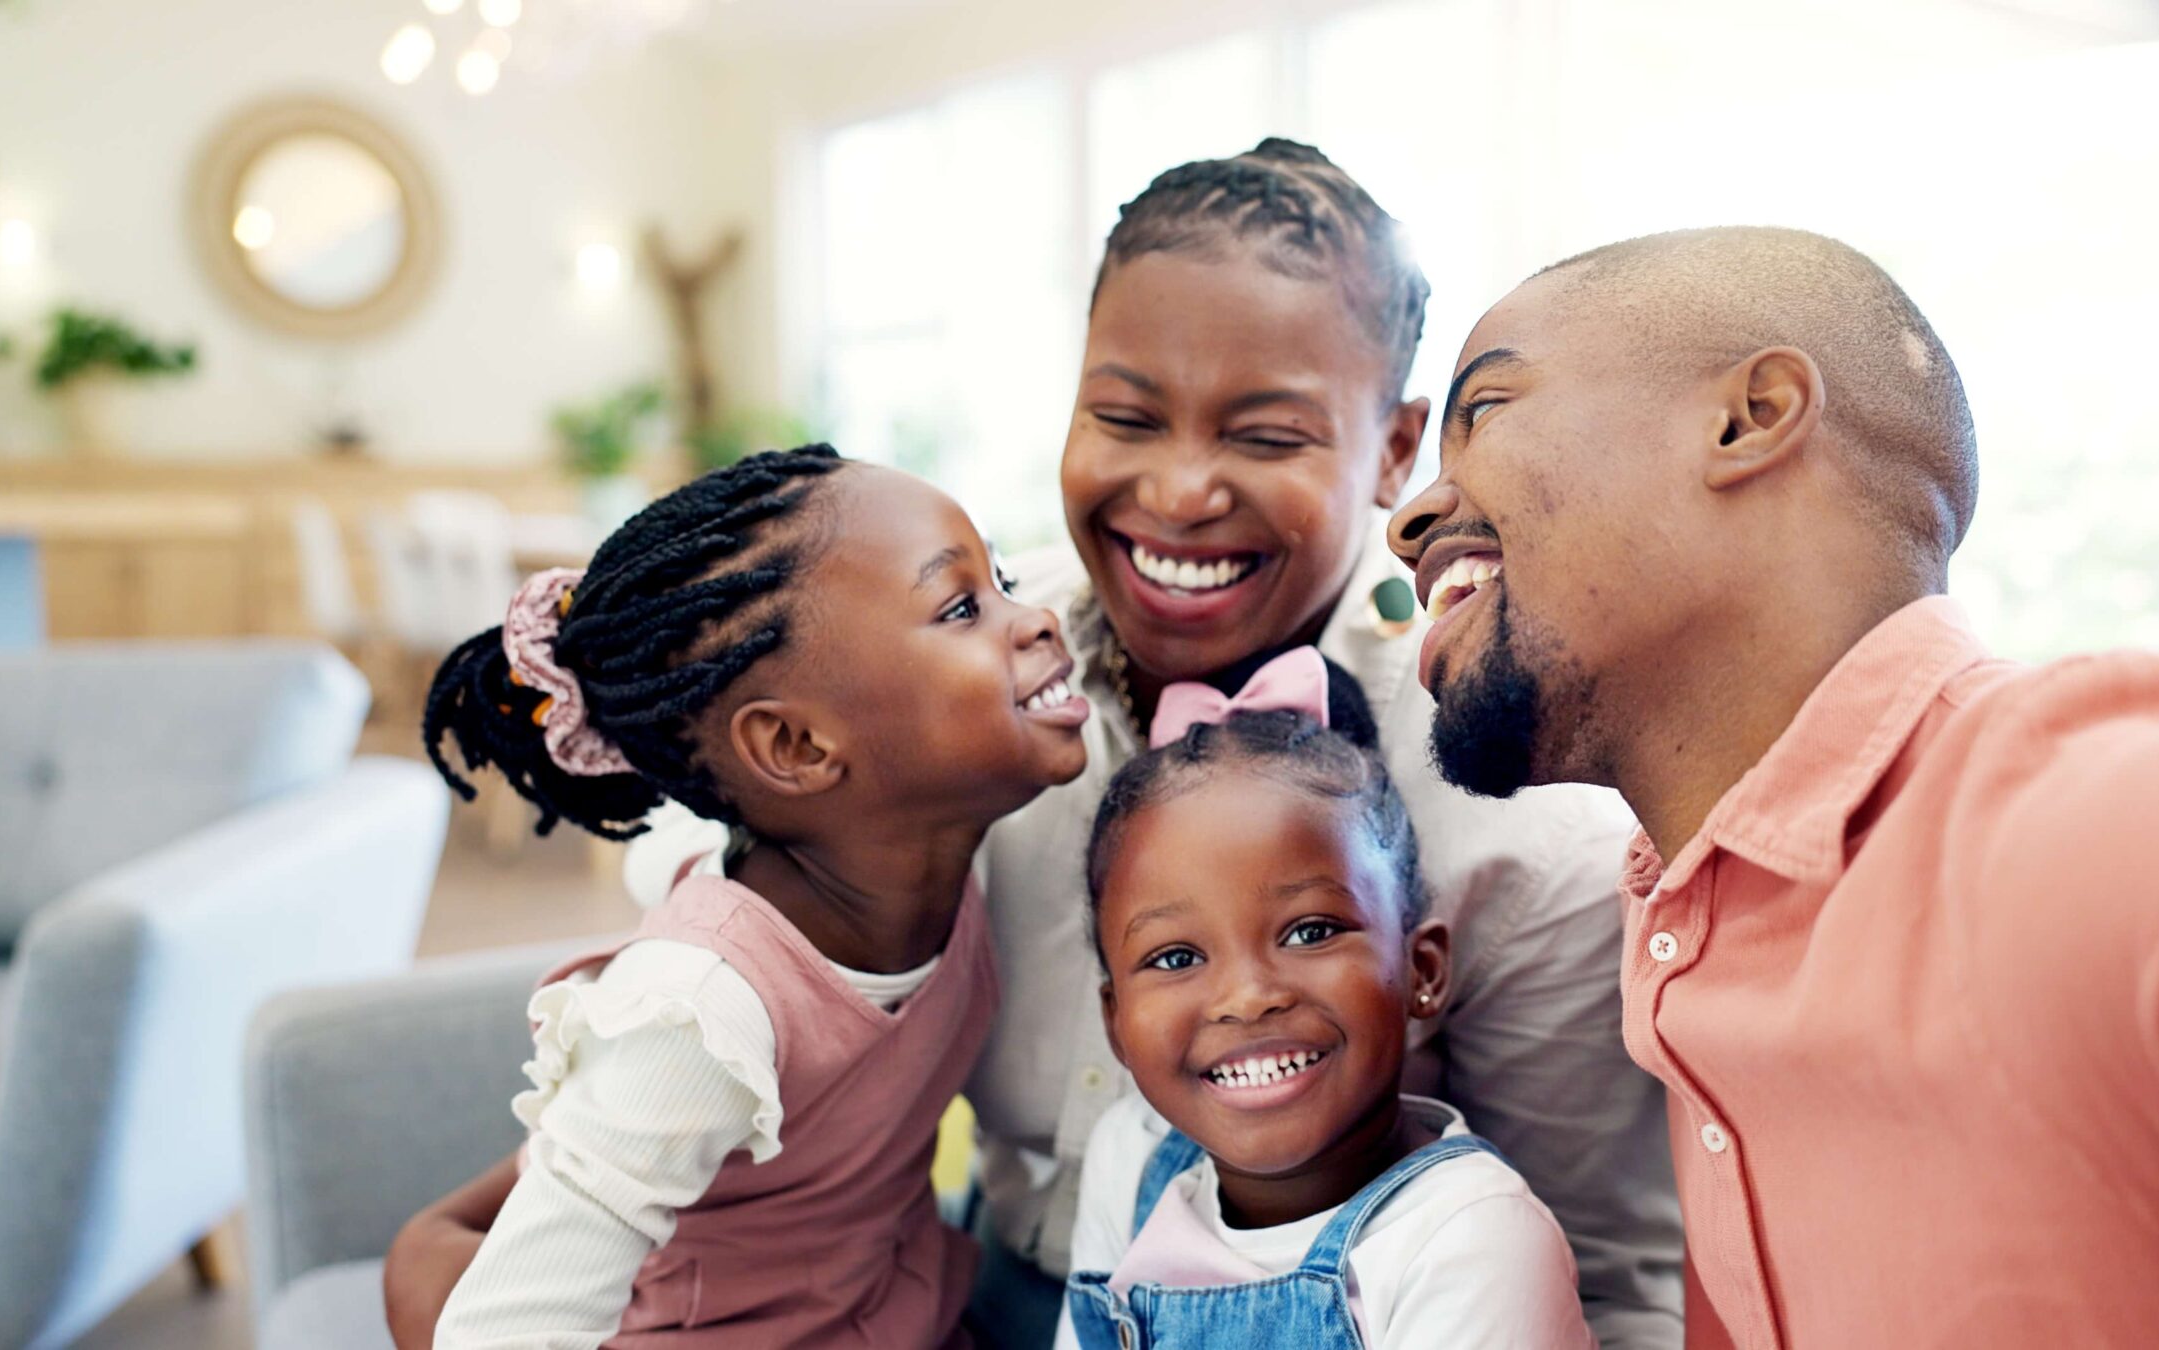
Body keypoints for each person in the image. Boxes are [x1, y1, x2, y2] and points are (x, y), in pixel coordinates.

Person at [387, 138, 1679, 1350]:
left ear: (1396, 447)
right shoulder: (938, 714)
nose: (1177, 491)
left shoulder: (1518, 812)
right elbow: (722, 927)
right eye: (1125, 416)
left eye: (1265, 433)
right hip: (980, 1292)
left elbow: (1610, 1275)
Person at [1385, 223, 2159, 1348]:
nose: (1410, 518)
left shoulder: (2117, 800)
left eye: (1482, 411)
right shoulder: (1680, 927)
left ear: (1750, 418)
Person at [412, 447, 1091, 1347]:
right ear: (797, 748)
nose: (1039, 618)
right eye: (962, 607)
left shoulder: (956, 868)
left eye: (1001, 580)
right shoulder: (700, 1011)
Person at [1055, 648, 1592, 1350]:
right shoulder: (1129, 1163)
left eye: (1310, 932)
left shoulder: (1470, 1239)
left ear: (1422, 969)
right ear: (1116, 1025)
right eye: (1176, 956)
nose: (1247, 998)